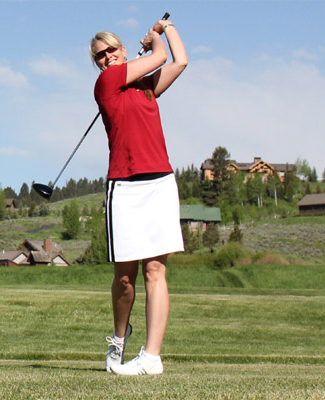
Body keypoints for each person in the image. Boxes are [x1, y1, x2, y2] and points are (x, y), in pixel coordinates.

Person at [90, 19, 187, 376]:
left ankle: (151, 358)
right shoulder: (107, 82)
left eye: (112, 50)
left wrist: (168, 26)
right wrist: (156, 39)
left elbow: (179, 62)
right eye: (100, 55)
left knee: (155, 270)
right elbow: (160, 55)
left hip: (159, 181)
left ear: (124, 50)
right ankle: (119, 336)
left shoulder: (145, 87)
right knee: (125, 278)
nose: (106, 58)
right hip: (125, 186)